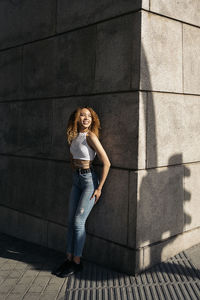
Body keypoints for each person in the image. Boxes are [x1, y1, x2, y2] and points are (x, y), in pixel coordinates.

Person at [52, 106, 111, 277]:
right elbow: (73, 158)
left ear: (92, 120)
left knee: (78, 222)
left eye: (89, 116)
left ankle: (77, 262)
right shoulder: (73, 136)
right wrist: (76, 171)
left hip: (89, 182)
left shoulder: (90, 136)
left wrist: (99, 188)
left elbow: (106, 162)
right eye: (83, 115)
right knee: (70, 221)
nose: (86, 118)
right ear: (77, 118)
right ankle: (68, 258)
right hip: (77, 180)